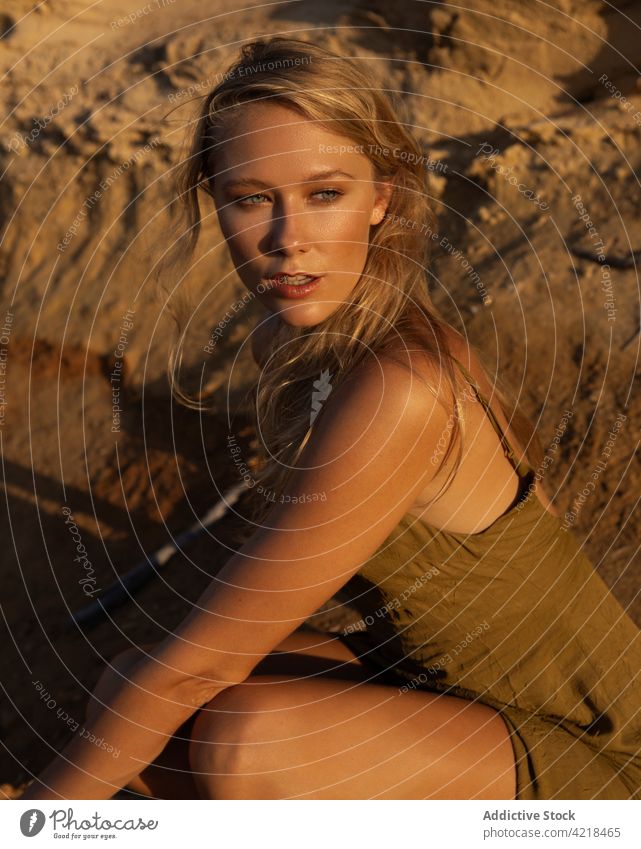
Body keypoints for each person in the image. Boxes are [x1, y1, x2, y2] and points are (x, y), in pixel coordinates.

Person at [22, 36, 641, 802]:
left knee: (247, 739)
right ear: (215, 202)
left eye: (323, 194)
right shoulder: (300, 341)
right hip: (448, 693)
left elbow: (204, 663)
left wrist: (44, 813)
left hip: (593, 755)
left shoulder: (398, 387)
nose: (287, 238)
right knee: (134, 689)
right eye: (252, 198)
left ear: (381, 196)